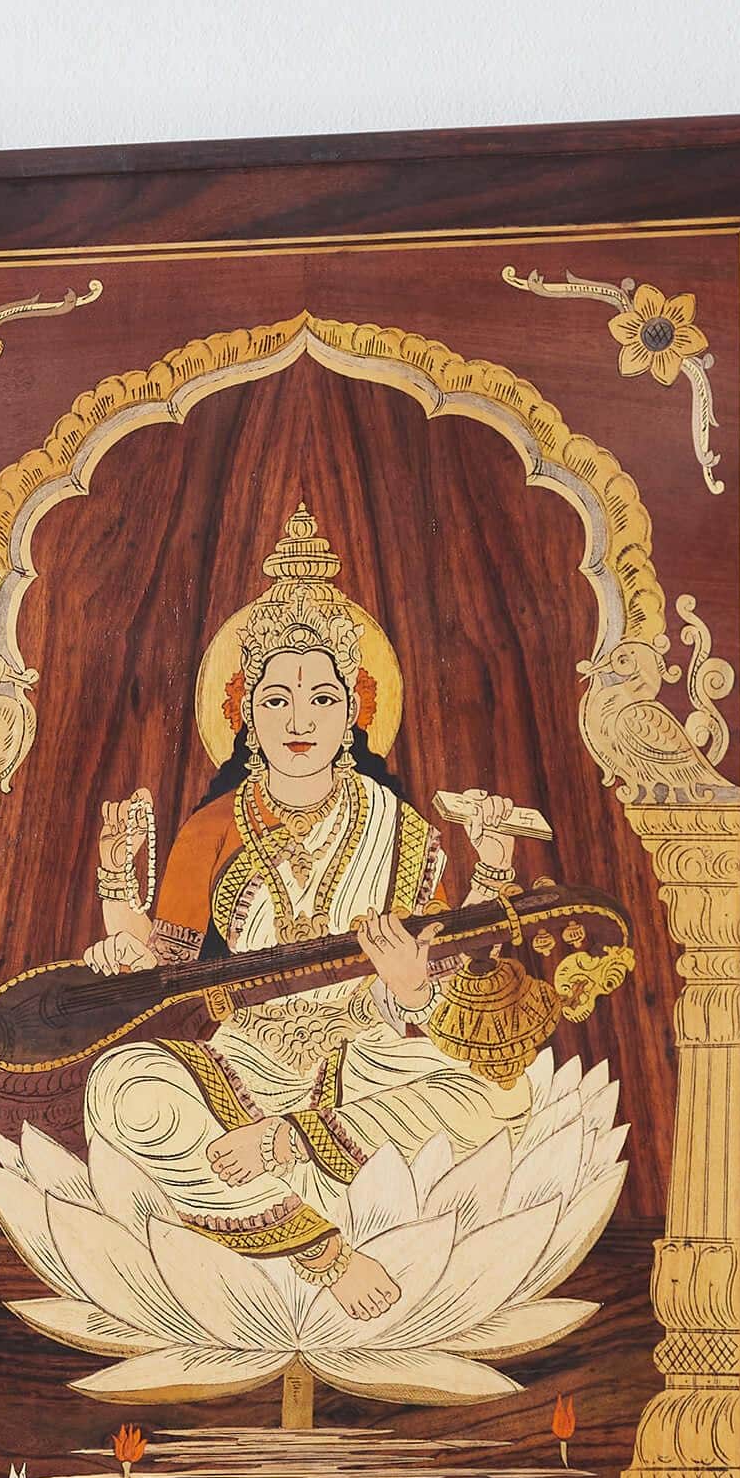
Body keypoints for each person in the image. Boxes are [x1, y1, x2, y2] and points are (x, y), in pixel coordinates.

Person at [80, 507, 528, 1323]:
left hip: (368, 1059)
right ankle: (320, 1248)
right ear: (243, 712)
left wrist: (478, 885)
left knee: (498, 1096)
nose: (299, 720)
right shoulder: (212, 828)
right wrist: (118, 888)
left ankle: (287, 1145)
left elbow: (452, 975)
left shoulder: (399, 827)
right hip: (248, 1058)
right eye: (277, 699)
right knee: (123, 1088)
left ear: (355, 711)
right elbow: (171, 967)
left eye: (321, 697)